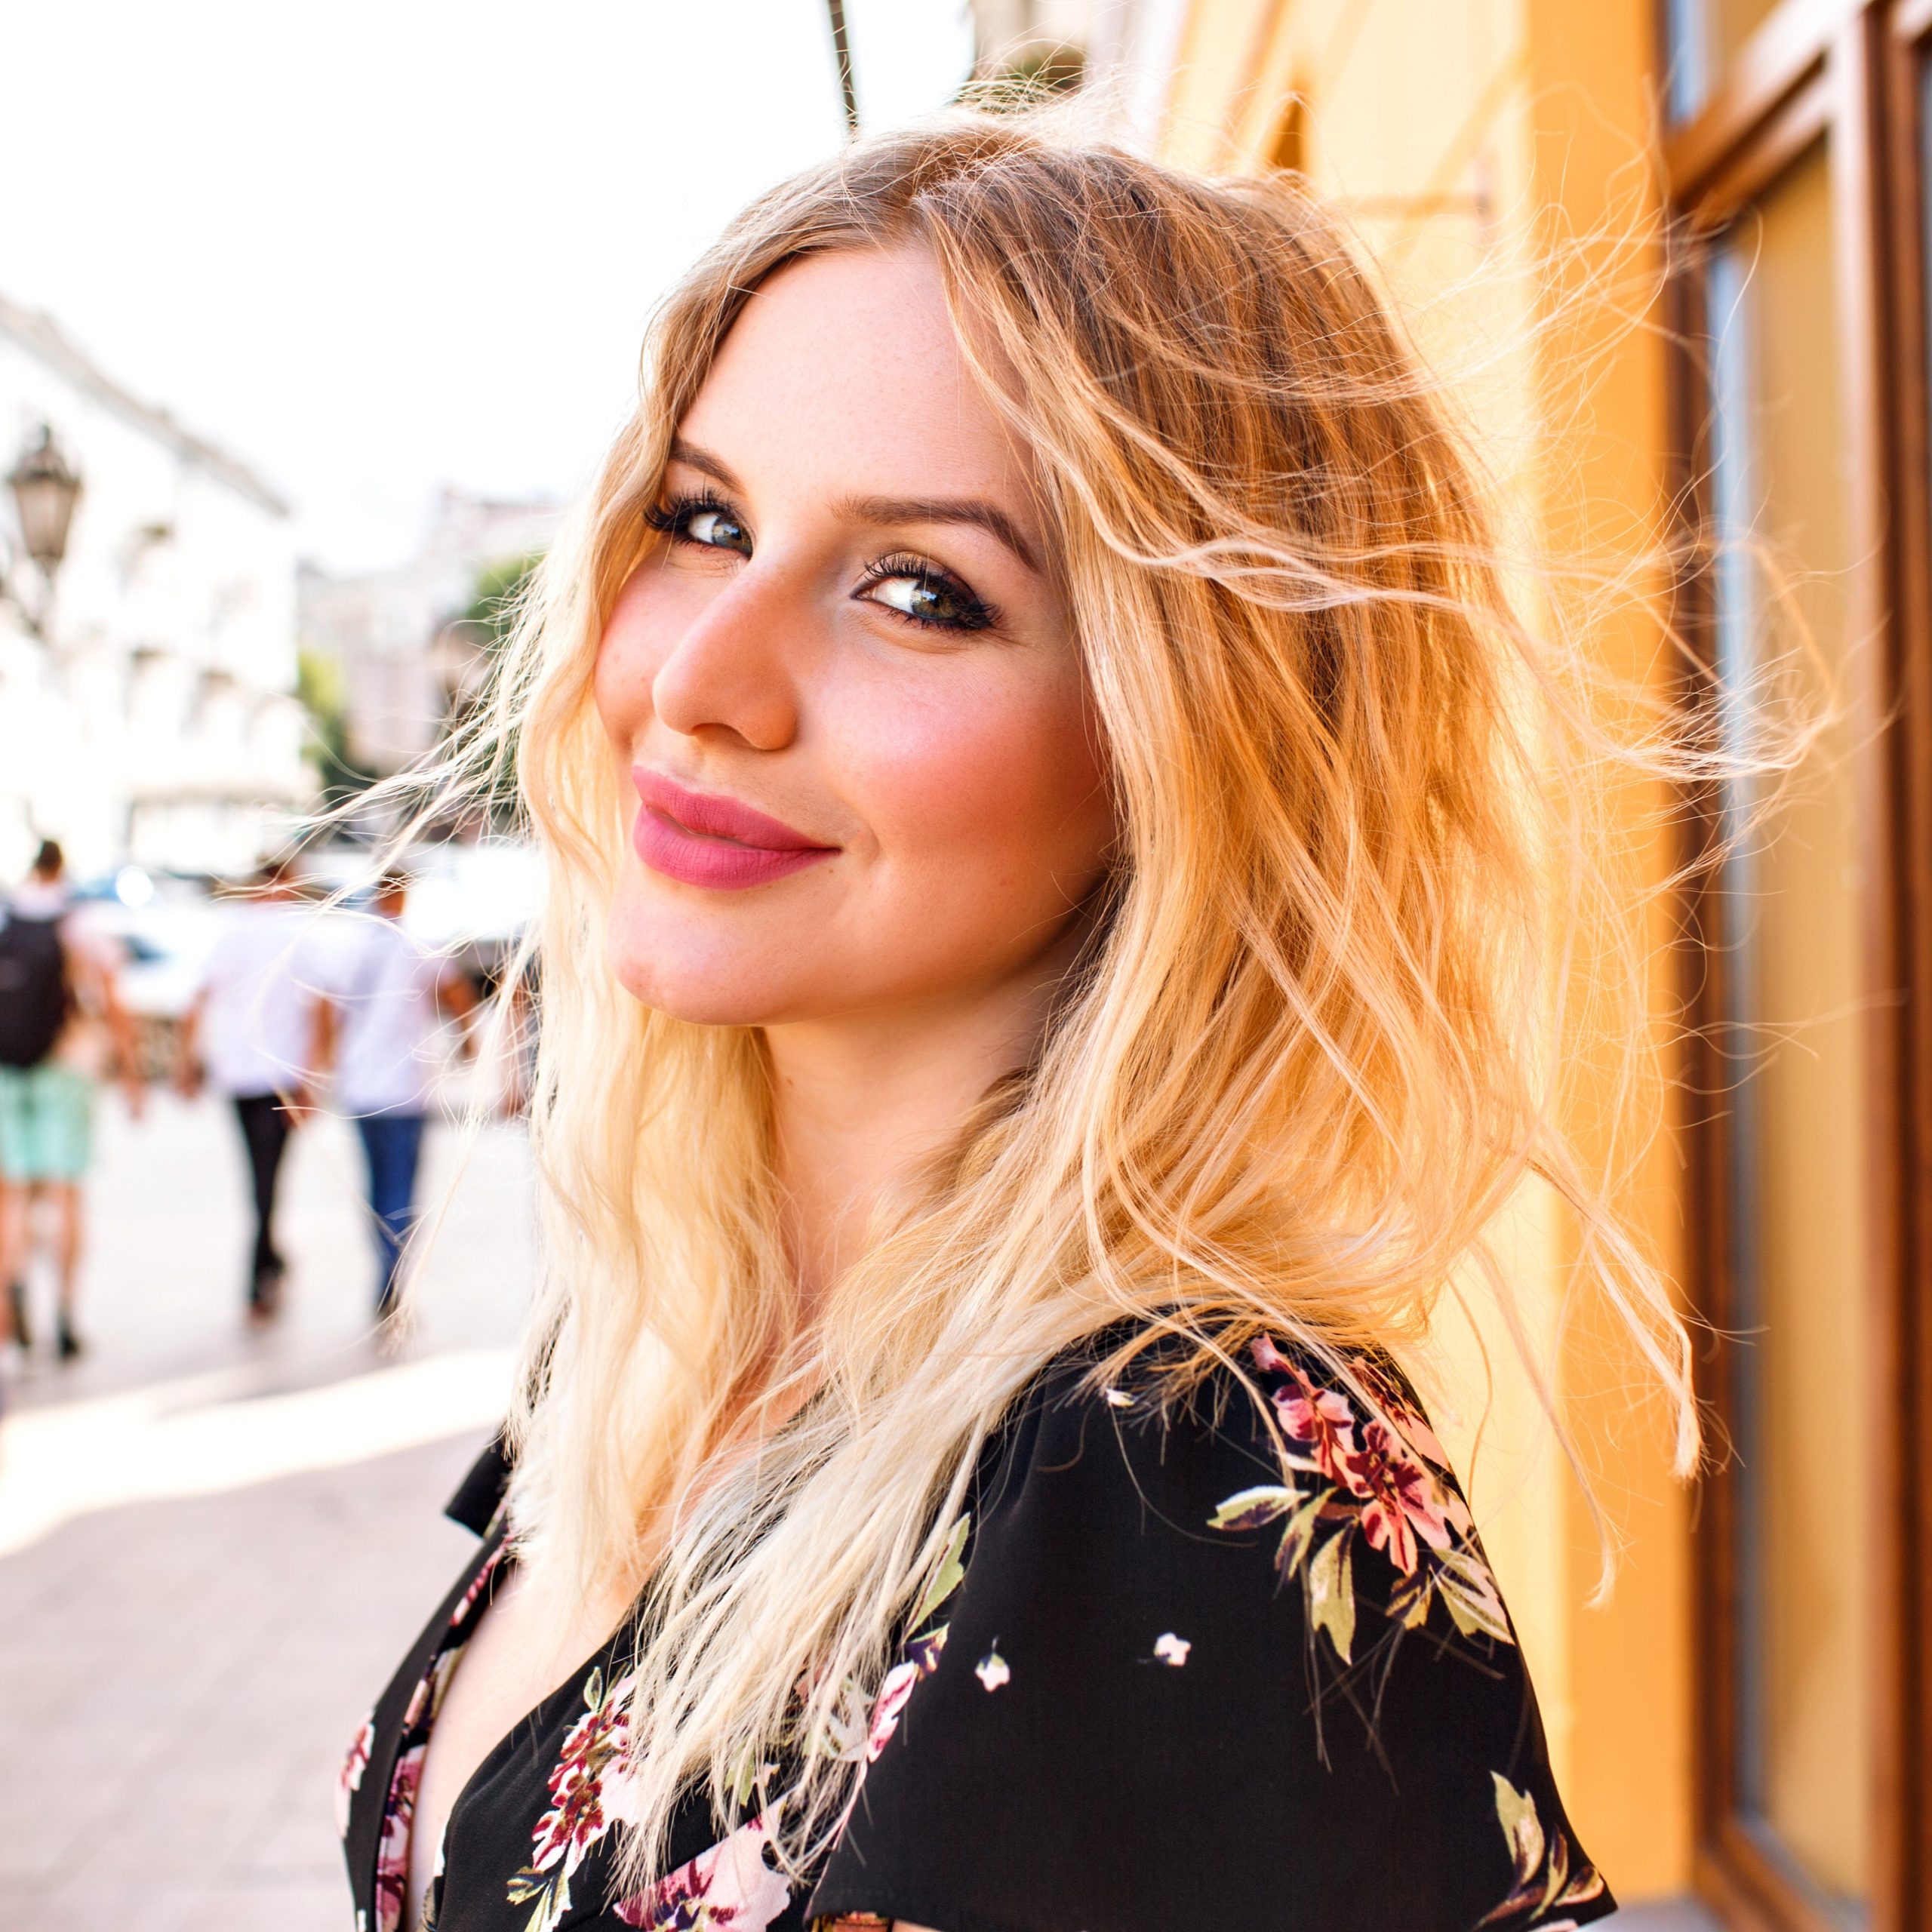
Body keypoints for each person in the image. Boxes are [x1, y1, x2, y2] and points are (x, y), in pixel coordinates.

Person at [338, 124, 1699, 1932]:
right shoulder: (657, 1329)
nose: (696, 677)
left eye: (920, 591)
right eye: (701, 519)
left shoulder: (1186, 1469)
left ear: (1178, 737)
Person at [0, 839, 143, 1361]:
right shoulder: (79, 923)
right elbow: (113, 1005)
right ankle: (64, 1309)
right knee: (65, 1194)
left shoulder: (6, 918)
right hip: (68, 1067)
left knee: (12, 1195)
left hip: (10, 1072)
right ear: (63, 869)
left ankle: (10, 1297)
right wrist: (131, 1079)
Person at [311, 870, 477, 1316]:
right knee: (402, 1188)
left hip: (361, 1086)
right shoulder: (417, 944)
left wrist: (322, 1066)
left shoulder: (350, 945)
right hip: (406, 1090)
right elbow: (458, 990)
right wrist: (468, 1042)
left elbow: (326, 1011)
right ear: (401, 895)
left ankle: (384, 1272)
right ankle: (393, 1273)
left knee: (375, 1185)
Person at [174, 856, 322, 1319]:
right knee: (269, 1177)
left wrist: (187, 1062)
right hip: (281, 1078)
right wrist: (315, 1077)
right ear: (285, 882)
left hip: (238, 1075)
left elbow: (197, 1000)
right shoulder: (294, 933)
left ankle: (268, 1263)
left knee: (259, 1175)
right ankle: (261, 1274)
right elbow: (319, 1010)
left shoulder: (231, 930)